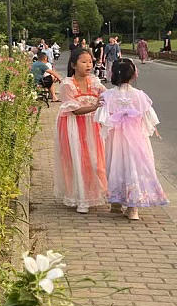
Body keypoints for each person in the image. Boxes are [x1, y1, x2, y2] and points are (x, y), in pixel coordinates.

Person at [95, 58, 167, 221]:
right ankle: (133, 207)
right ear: (134, 74)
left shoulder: (107, 95)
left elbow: (102, 120)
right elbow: (149, 120)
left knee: (116, 165)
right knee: (135, 166)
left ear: (112, 74)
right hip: (136, 139)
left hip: (116, 139)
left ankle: (116, 203)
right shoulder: (140, 96)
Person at [54, 48, 107, 214]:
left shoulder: (95, 82)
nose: (88, 65)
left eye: (90, 61)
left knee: (96, 161)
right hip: (74, 127)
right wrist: (95, 106)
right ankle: (81, 198)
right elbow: (75, 110)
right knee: (78, 161)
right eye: (84, 62)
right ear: (73, 65)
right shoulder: (67, 84)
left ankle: (96, 193)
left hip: (93, 126)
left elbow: (107, 97)